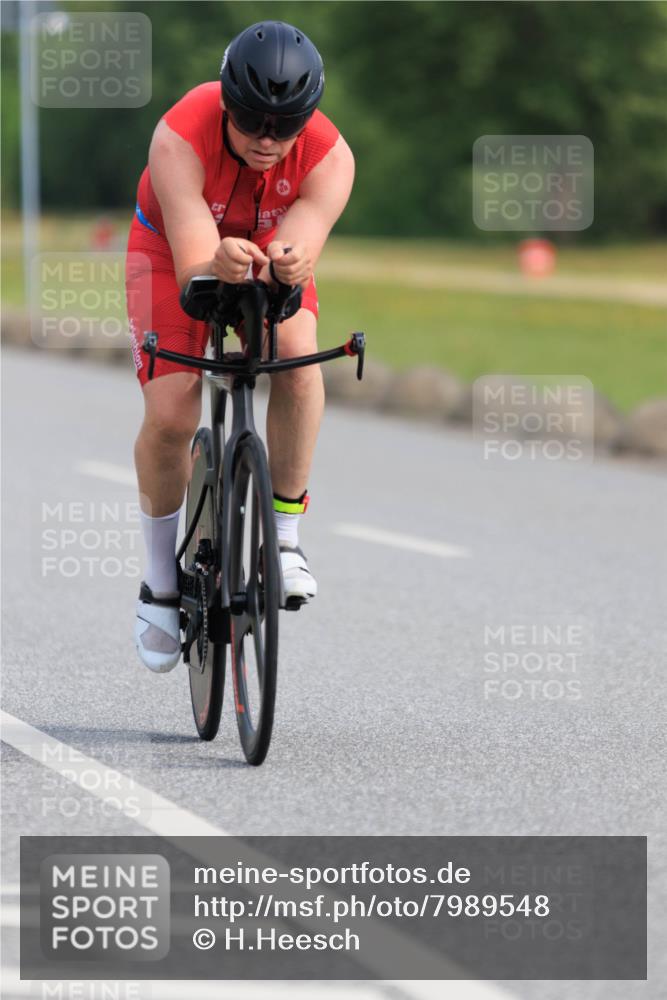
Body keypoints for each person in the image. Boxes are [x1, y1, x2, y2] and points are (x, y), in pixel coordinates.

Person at [126, 20, 355, 673]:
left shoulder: (331, 157)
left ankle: (283, 536)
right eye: (252, 120)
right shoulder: (179, 135)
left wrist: (290, 263)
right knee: (172, 411)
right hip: (171, 251)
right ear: (227, 103)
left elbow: (300, 246)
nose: (267, 139)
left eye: (286, 126)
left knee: (299, 362)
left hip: (263, 252)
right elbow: (196, 265)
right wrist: (218, 263)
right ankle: (159, 582)